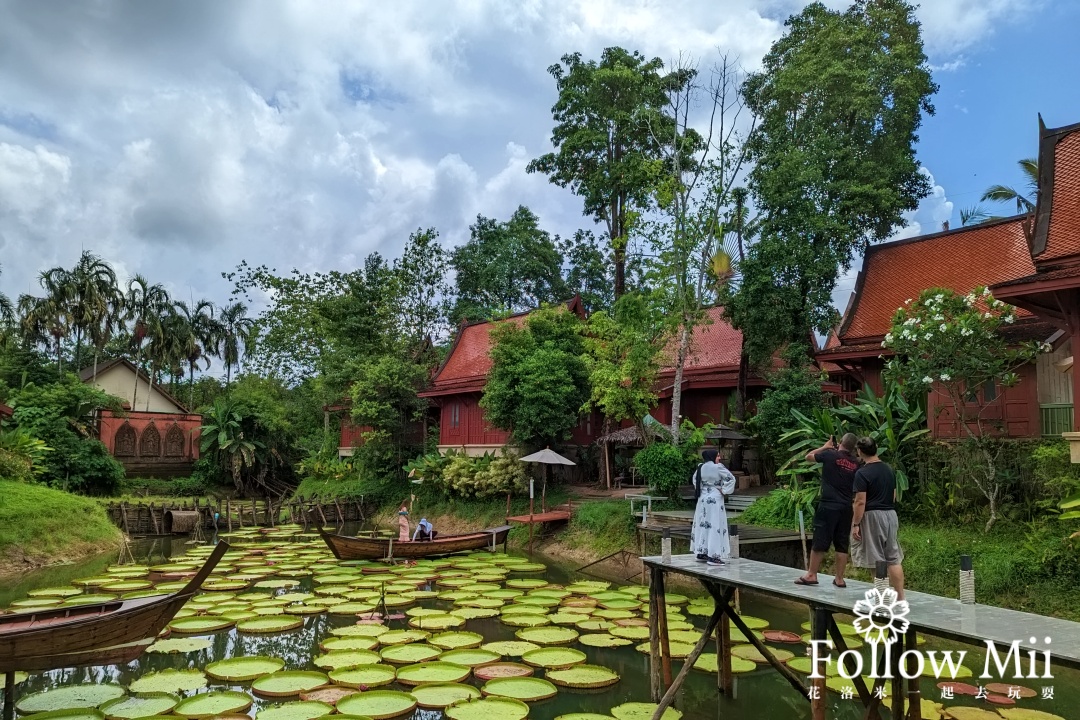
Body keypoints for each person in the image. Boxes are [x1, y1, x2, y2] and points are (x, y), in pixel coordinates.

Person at [795, 433, 859, 588]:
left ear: (841, 442)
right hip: (846, 507)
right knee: (842, 543)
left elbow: (808, 457)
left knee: (820, 539)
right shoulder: (856, 463)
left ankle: (811, 574)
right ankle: (839, 578)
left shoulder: (830, 455)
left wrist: (825, 447)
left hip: (829, 504)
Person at [850, 436, 905, 599]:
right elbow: (894, 495)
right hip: (890, 514)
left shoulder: (862, 473)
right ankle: (901, 597)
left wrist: (856, 524)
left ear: (860, 452)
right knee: (893, 557)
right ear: (876, 448)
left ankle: (882, 597)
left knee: (876, 558)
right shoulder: (888, 469)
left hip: (873, 516)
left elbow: (860, 502)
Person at [690, 448, 737, 566]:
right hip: (715, 498)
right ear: (713, 457)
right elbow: (731, 478)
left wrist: (703, 489)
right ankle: (714, 555)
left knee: (703, 524)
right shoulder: (718, 467)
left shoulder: (700, 467)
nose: (719, 458)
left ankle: (702, 552)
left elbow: (695, 480)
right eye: (718, 456)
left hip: (702, 499)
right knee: (715, 524)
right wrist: (724, 490)